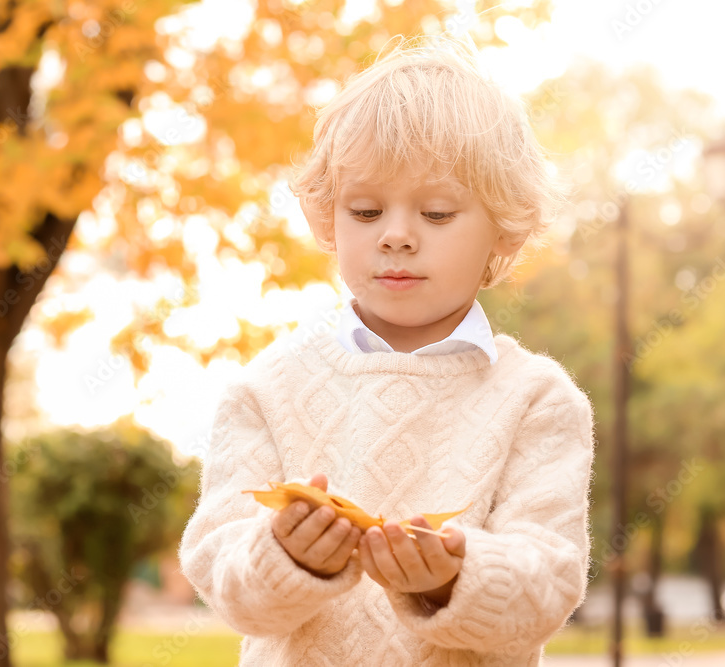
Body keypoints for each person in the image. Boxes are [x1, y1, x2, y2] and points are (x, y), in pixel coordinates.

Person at [178, 32, 595, 666]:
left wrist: (452, 578)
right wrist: (285, 556)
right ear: (329, 218)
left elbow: (551, 579)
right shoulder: (266, 390)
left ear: (502, 228)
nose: (397, 236)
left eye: (436, 213)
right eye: (367, 211)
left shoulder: (537, 400)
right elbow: (220, 574)